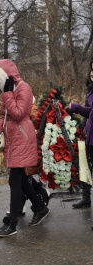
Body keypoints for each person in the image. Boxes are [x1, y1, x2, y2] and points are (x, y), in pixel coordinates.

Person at [0, 59, 50, 237]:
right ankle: (40, 207)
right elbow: (2, 115)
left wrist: (7, 95)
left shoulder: (24, 88)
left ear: (6, 76)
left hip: (23, 137)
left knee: (15, 180)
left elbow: (19, 113)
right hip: (13, 139)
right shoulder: (7, 91)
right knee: (20, 180)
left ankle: (12, 223)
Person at [66, 69, 93, 209]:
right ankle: (86, 197)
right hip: (90, 135)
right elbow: (89, 112)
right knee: (85, 166)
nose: (92, 73)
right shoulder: (90, 90)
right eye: (92, 69)